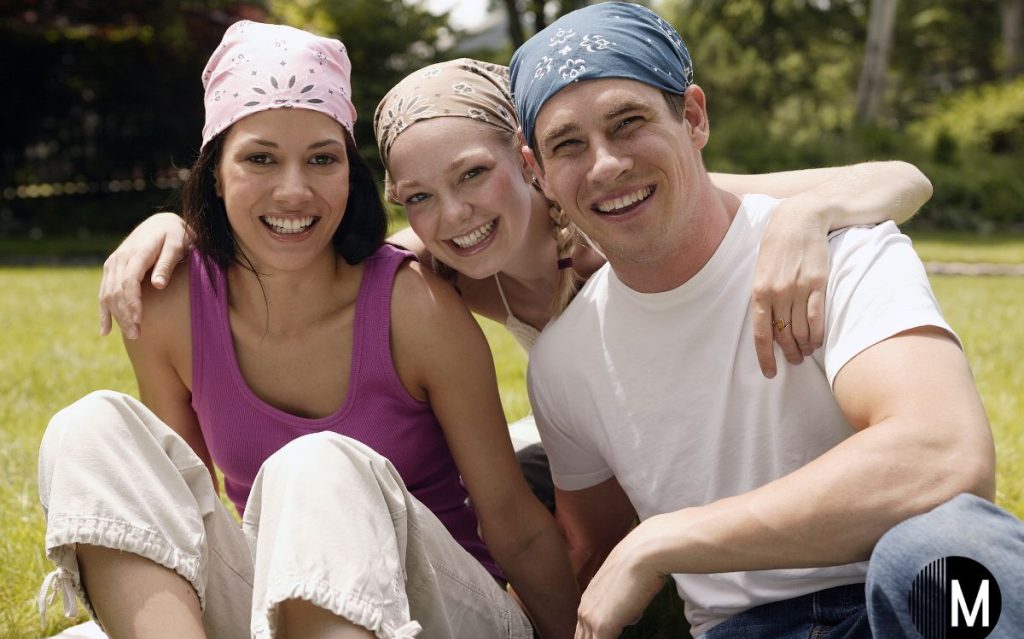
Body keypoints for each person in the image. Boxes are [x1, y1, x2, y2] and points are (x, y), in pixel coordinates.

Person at [99, 60, 932, 512]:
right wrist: (175, 225)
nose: (452, 216)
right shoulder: (438, 265)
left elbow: (902, 177)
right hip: (591, 449)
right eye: (419, 197)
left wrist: (805, 213)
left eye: (473, 176)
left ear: (530, 164)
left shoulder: (625, 212)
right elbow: (315, 250)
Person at [37, 21, 584, 639]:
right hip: (280, 620)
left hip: (438, 632)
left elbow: (513, 524)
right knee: (88, 428)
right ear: (215, 173)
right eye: (260, 158)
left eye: (322, 158)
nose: (294, 189)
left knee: (315, 462)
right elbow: (178, 516)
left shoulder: (416, 306)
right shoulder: (167, 302)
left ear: (350, 175)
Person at [510, 3, 1023, 639]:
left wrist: (667, 537)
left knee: (951, 548)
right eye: (568, 144)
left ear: (693, 117)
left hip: (900, 607)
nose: (605, 164)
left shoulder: (836, 245)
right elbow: (589, 546)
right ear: (536, 170)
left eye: (628, 122)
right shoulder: (565, 359)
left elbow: (943, 454)